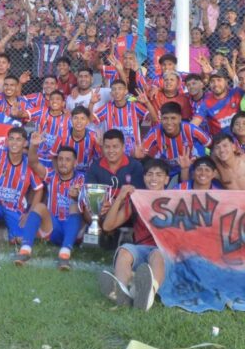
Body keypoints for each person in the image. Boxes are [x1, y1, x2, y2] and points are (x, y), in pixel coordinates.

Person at [98, 159, 173, 311]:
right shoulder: (136, 200)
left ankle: (149, 293)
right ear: (144, 178)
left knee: (158, 254)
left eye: (159, 175)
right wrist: (120, 198)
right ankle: (122, 291)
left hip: (162, 253)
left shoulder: (175, 200)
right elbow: (107, 226)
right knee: (125, 249)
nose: (154, 178)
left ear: (166, 179)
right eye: (150, 174)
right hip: (140, 249)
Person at [16, 134, 89, 270]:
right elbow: (33, 163)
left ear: (75, 163)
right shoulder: (51, 175)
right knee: (39, 206)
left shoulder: (82, 179)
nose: (63, 162)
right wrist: (34, 146)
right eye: (60, 159)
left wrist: (78, 197)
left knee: (75, 206)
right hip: (53, 227)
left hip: (74, 229)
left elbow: (87, 208)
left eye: (67, 160)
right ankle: (25, 250)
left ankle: (65, 254)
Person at [139, 102, 211, 180]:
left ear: (180, 118)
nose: (169, 123)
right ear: (161, 119)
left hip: (191, 166)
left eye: (173, 118)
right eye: (165, 118)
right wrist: (136, 155)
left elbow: (209, 144)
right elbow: (141, 152)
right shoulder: (155, 132)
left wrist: (198, 158)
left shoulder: (191, 129)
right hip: (169, 169)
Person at [92, 79, 155, 158]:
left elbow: (154, 119)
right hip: (114, 154)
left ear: (125, 91)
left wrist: (147, 103)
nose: (117, 91)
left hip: (134, 154)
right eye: (114, 89)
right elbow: (90, 119)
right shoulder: (107, 107)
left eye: (120, 88)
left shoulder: (134, 106)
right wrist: (91, 103)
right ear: (111, 93)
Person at [85, 129, 146, 196]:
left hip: (128, 205)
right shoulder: (94, 167)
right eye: (107, 147)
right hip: (103, 205)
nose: (111, 150)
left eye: (115, 147)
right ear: (103, 148)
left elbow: (137, 194)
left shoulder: (136, 166)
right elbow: (91, 194)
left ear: (123, 147)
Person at [49, 106, 101, 175]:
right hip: (67, 174)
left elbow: (99, 159)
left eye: (82, 118)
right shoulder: (62, 135)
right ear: (71, 120)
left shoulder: (93, 137)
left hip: (86, 174)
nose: (79, 121)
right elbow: (53, 156)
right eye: (75, 118)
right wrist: (58, 173)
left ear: (88, 121)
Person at [191, 70, 243, 136]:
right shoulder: (206, 103)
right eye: (212, 81)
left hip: (241, 138)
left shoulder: (237, 93)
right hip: (221, 142)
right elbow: (194, 123)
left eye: (219, 80)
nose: (216, 84)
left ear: (226, 82)